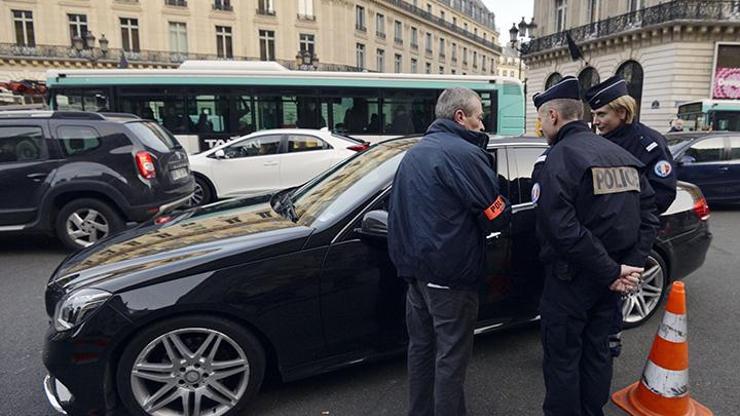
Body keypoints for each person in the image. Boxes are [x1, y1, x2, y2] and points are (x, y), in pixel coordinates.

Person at [532, 76, 660, 416]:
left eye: (541, 119)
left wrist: (612, 269)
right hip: (610, 281)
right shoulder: (621, 155)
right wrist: (627, 267)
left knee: (563, 358)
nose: (541, 127)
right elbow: (649, 214)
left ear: (554, 117)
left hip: (572, 281)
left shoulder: (558, 158)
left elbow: (561, 228)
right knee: (598, 352)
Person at [388, 87, 510, 416]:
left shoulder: (415, 152)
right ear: (460, 117)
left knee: (422, 352)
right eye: (479, 117)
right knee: (451, 359)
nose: (482, 125)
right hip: (452, 276)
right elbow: (494, 212)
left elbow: (398, 212)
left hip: (416, 274)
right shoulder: (464, 154)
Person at [585, 75, 678, 357]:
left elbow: (662, 195)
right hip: (597, 236)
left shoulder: (649, 143)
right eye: (594, 115)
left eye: (602, 114)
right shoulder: (595, 142)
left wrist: (625, 221)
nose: (596, 121)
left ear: (622, 112)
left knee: (612, 300)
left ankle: (609, 343)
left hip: (625, 238)